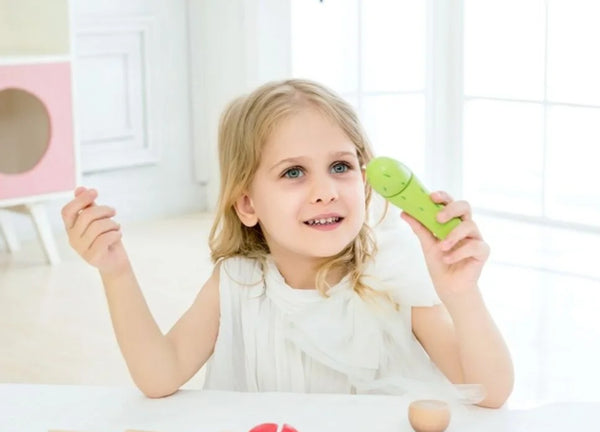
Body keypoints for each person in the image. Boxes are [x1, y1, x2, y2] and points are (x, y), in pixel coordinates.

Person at [61, 78, 513, 408]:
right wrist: (115, 270)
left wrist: (462, 295)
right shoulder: (237, 284)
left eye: (340, 166)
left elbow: (489, 392)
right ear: (247, 203)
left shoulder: (393, 276)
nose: (325, 190)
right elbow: (158, 376)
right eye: (293, 172)